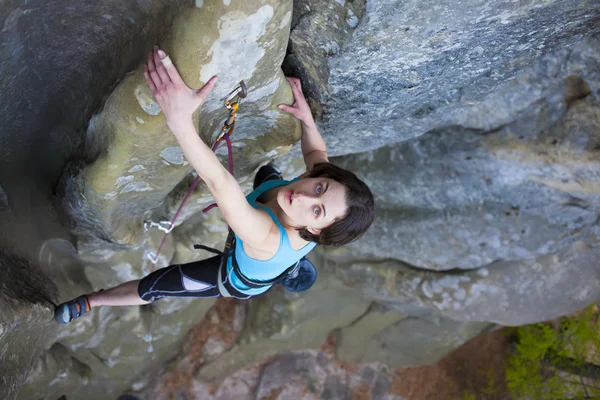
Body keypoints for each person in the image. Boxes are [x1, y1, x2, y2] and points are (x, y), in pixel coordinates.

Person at [54, 46, 374, 324]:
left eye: (317, 210)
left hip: (239, 275)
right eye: (319, 188)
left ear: (316, 232)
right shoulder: (316, 188)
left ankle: (91, 302)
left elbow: (219, 182)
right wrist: (306, 118)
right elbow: (317, 153)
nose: (302, 197)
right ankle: (291, 268)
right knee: (268, 173)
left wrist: (179, 120)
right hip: (283, 238)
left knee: (156, 285)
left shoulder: (265, 236)